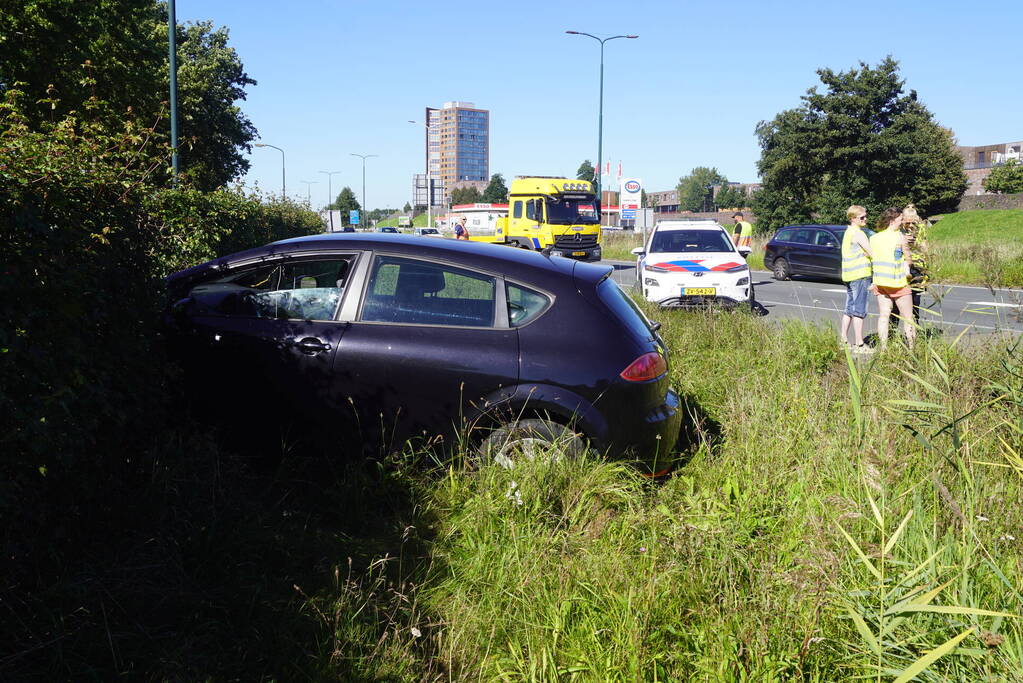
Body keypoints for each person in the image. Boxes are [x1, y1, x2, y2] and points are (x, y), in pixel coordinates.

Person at [869, 207, 916, 349]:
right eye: (900, 219)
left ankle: (883, 348)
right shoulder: (900, 237)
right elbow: (908, 260)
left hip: (880, 283)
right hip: (898, 283)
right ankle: (912, 348)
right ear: (892, 220)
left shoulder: (874, 238)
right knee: (908, 317)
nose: (902, 222)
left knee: (884, 316)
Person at [839, 205, 874, 352]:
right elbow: (872, 253)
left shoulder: (848, 232)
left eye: (865, 216)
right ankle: (859, 344)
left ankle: (843, 341)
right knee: (859, 310)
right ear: (853, 218)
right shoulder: (859, 233)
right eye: (862, 217)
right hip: (860, 275)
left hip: (849, 275)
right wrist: (869, 255)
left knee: (849, 309)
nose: (865, 219)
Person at [901, 204, 931, 324]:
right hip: (902, 266)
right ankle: (893, 329)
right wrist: (904, 241)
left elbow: (926, 249)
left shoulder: (921, 229)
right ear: (902, 220)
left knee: (915, 299)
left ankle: (914, 325)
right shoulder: (898, 229)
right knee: (899, 300)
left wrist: (918, 244)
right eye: (907, 223)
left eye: (913, 223)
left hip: (917, 266)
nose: (910, 226)